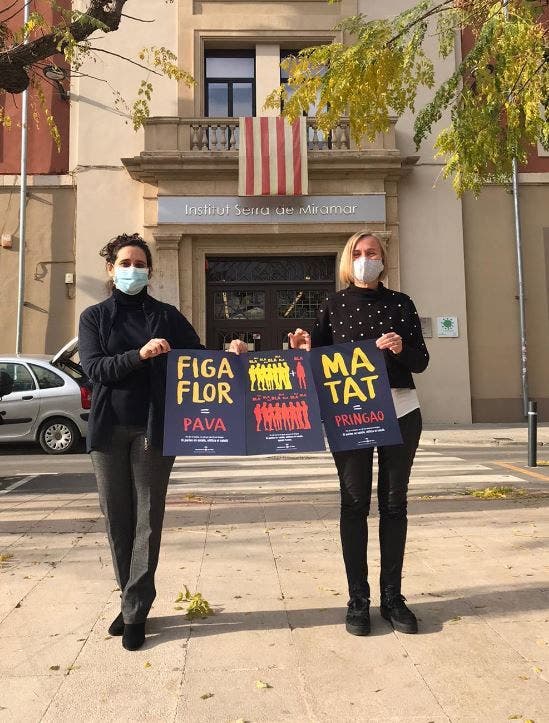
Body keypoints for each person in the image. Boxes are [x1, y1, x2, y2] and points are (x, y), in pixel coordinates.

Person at [79, 233, 246, 651]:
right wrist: (141, 354)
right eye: (125, 262)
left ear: (150, 270)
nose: (132, 269)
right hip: (108, 430)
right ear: (111, 268)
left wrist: (231, 352)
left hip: (155, 430)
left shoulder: (166, 315)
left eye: (139, 263)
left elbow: (200, 359)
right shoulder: (94, 317)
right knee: (118, 521)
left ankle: (135, 610)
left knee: (147, 521)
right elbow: (95, 369)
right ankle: (132, 598)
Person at [289, 230, 429, 636]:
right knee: (353, 505)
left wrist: (402, 347)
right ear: (348, 261)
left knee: (394, 504)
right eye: (359, 253)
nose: (366, 258)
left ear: (384, 259)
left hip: (401, 410)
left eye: (373, 253)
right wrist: (301, 348)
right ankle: (358, 599)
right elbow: (315, 361)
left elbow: (422, 361)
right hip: (351, 415)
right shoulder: (333, 306)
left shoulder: (402, 304)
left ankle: (392, 597)